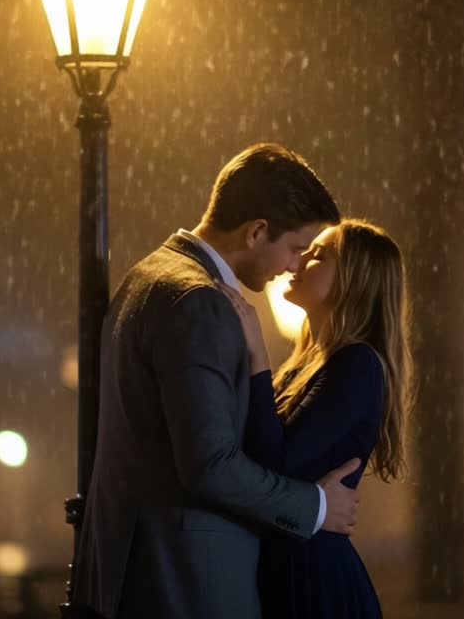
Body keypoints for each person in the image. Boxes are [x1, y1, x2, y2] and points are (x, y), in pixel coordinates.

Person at [71, 144, 364, 619]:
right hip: (190, 581)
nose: (293, 267)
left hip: (134, 570)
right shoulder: (199, 302)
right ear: (256, 232)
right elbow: (208, 463)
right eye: (294, 249)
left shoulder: (145, 278)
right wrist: (315, 506)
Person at [222, 219, 413, 619]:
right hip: (289, 568)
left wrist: (257, 356)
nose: (301, 258)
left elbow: (275, 462)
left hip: (313, 581)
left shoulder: (357, 365)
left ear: (353, 281)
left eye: (319, 255)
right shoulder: (307, 365)